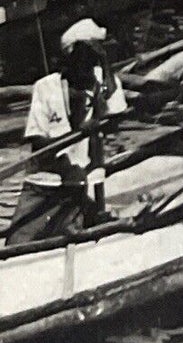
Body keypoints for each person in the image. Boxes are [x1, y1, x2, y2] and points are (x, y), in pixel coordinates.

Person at [7, 19, 127, 245]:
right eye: (85, 55)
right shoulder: (46, 88)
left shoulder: (102, 85)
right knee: (16, 245)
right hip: (45, 184)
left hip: (80, 187)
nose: (90, 64)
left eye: (94, 57)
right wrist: (79, 132)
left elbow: (117, 116)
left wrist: (105, 64)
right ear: (71, 57)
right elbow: (39, 145)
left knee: (76, 242)